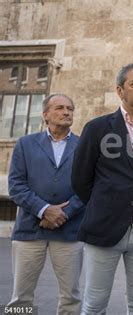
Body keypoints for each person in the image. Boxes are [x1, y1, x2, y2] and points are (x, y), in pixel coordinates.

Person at [72, 63, 133, 314]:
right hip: (104, 227)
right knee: (95, 304)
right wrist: (104, 206)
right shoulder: (97, 128)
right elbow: (80, 180)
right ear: (119, 90)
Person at [7, 94, 85, 314]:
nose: (66, 112)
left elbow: (88, 188)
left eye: (70, 108)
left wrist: (64, 213)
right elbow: (16, 185)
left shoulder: (84, 146)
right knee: (20, 298)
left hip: (69, 231)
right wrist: (44, 211)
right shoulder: (25, 144)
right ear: (45, 115)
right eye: (60, 107)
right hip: (29, 231)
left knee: (70, 297)